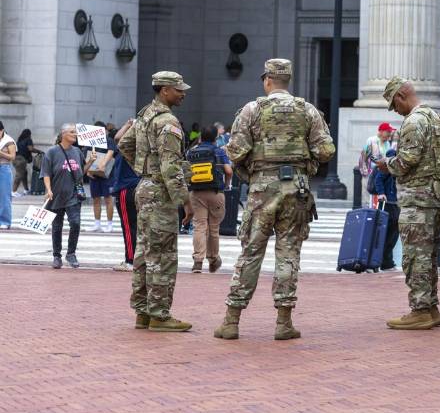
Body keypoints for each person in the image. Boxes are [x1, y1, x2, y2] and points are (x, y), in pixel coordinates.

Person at [213, 59, 334, 341]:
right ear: (287, 80)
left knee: (251, 252)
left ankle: (232, 321)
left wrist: (250, 173)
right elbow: (326, 149)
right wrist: (308, 164)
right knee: (289, 253)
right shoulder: (308, 110)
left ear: (267, 80)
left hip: (262, 188)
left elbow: (235, 151)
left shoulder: (252, 110)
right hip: (298, 190)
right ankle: (283, 322)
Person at [117, 71, 194, 332]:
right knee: (163, 255)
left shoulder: (144, 115)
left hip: (145, 187)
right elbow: (171, 166)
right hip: (161, 191)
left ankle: (143, 312)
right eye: (178, 89)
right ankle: (160, 314)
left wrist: (143, 169)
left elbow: (124, 144)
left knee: (144, 252)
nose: (182, 93)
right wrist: (185, 200)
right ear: (164, 90)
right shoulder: (167, 121)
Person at [379, 77, 440, 330]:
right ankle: (431, 307)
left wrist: (385, 165)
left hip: (418, 199)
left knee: (414, 257)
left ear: (400, 96)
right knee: (429, 256)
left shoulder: (414, 121)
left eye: (393, 104)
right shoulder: (436, 118)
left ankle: (420, 309)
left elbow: (406, 161)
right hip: (436, 195)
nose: (395, 111)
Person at [186, 125, 232, 273]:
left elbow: (186, 173)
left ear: (200, 137)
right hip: (215, 192)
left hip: (196, 193)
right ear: (215, 138)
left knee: (199, 226)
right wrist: (226, 184)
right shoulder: (219, 151)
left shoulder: (191, 152)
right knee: (213, 228)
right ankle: (213, 259)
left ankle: (197, 261)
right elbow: (228, 171)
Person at [42, 125, 86, 267]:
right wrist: (48, 189)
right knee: (56, 227)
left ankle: (71, 254)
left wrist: (90, 161)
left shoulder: (78, 151)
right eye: (72, 132)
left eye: (76, 132)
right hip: (56, 195)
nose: (75, 134)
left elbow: (80, 172)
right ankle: (57, 256)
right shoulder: (51, 152)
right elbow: (46, 173)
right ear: (63, 134)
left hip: (73, 194)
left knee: (75, 223)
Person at [110, 119, 141, 271]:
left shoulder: (127, 146)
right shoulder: (144, 146)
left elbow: (117, 138)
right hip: (139, 188)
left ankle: (130, 260)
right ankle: (140, 259)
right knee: (140, 226)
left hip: (126, 188)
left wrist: (129, 124)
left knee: (128, 226)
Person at [369, 145, 400, 271]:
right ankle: (385, 262)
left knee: (390, 234)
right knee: (389, 234)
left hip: (393, 203)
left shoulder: (391, 163)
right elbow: (378, 180)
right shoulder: (388, 165)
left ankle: (386, 262)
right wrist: (382, 193)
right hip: (389, 203)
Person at [85, 131, 116, 233]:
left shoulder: (108, 140)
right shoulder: (91, 142)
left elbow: (111, 152)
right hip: (94, 175)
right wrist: (88, 169)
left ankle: (110, 224)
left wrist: (103, 163)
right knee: (96, 199)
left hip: (106, 175)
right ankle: (97, 223)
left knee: (108, 199)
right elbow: (87, 156)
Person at [359, 123, 393, 207]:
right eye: (388, 131)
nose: (390, 133)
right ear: (381, 131)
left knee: (379, 197)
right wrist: (365, 171)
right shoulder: (372, 140)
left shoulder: (387, 143)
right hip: (371, 173)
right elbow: (364, 156)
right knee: (369, 196)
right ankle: (369, 213)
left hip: (382, 174)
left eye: (390, 131)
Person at [0, 121, 15, 228]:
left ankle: (5, 221)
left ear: (2, 130)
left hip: (3, 169)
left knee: (4, 196)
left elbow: (12, 157)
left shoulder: (8, 141)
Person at [15, 129, 35, 196]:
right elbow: (30, 149)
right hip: (22, 159)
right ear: (29, 134)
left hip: (16, 159)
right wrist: (39, 151)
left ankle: (26, 190)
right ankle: (13, 191)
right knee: (19, 175)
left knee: (24, 174)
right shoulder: (28, 139)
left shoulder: (19, 140)